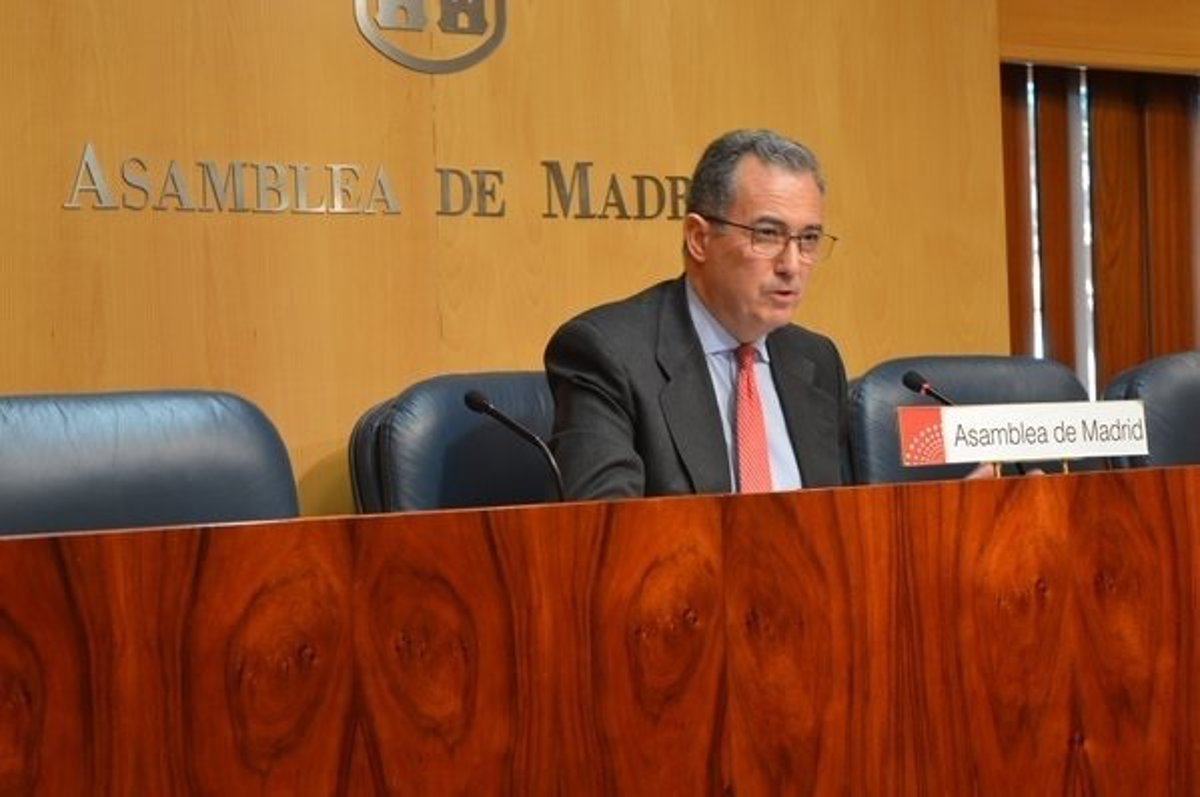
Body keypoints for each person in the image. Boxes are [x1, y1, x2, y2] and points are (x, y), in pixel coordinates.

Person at [544, 128, 848, 499]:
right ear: (699, 238)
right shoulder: (609, 355)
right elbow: (607, 525)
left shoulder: (816, 360)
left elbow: (847, 519)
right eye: (768, 234)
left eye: (809, 239)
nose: (792, 265)